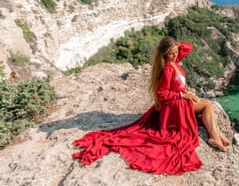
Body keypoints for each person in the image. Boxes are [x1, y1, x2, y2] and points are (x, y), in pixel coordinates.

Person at [72, 36, 230, 175]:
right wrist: (183, 95)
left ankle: (215, 134)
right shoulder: (168, 68)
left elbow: (188, 47)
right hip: (174, 106)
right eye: (171, 53)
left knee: (208, 105)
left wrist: (175, 45)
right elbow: (162, 94)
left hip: (180, 102)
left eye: (176, 52)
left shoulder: (175, 61)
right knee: (208, 105)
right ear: (164, 55)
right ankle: (215, 137)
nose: (175, 55)